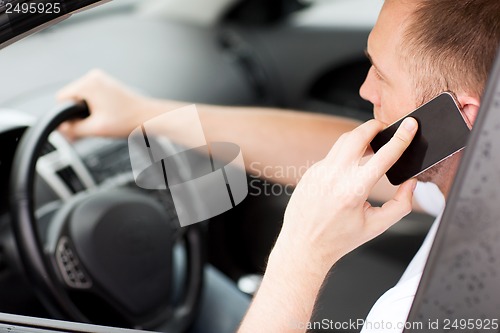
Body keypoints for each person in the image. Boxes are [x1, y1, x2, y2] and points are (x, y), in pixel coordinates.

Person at [56, 0, 500, 332]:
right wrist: (143, 113)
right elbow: (343, 150)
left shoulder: (416, 313)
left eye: (382, 74)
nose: (365, 90)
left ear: (464, 116)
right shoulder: (479, 174)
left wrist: (302, 251)